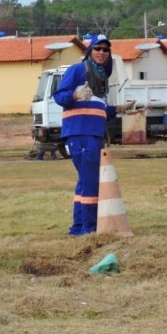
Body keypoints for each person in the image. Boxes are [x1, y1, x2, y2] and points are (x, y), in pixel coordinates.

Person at [53, 35, 133, 236]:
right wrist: (75, 95)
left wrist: (122, 108)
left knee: (85, 181)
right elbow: (59, 96)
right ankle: (89, 228)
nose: (102, 52)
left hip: (94, 134)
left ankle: (79, 227)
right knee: (90, 182)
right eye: (98, 48)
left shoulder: (102, 78)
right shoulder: (78, 70)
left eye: (106, 50)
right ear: (90, 51)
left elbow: (100, 109)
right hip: (80, 133)